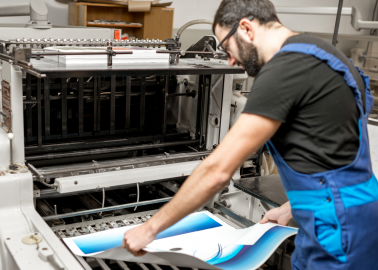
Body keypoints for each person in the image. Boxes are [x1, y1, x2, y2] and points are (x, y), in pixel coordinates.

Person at [122, 0, 378, 269]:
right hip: (354, 216)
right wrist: (292, 208)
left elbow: (217, 171)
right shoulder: (324, 54)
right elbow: (333, 153)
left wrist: (149, 229)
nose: (231, 60)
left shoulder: (284, 70)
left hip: (337, 231)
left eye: (227, 48)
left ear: (245, 28)